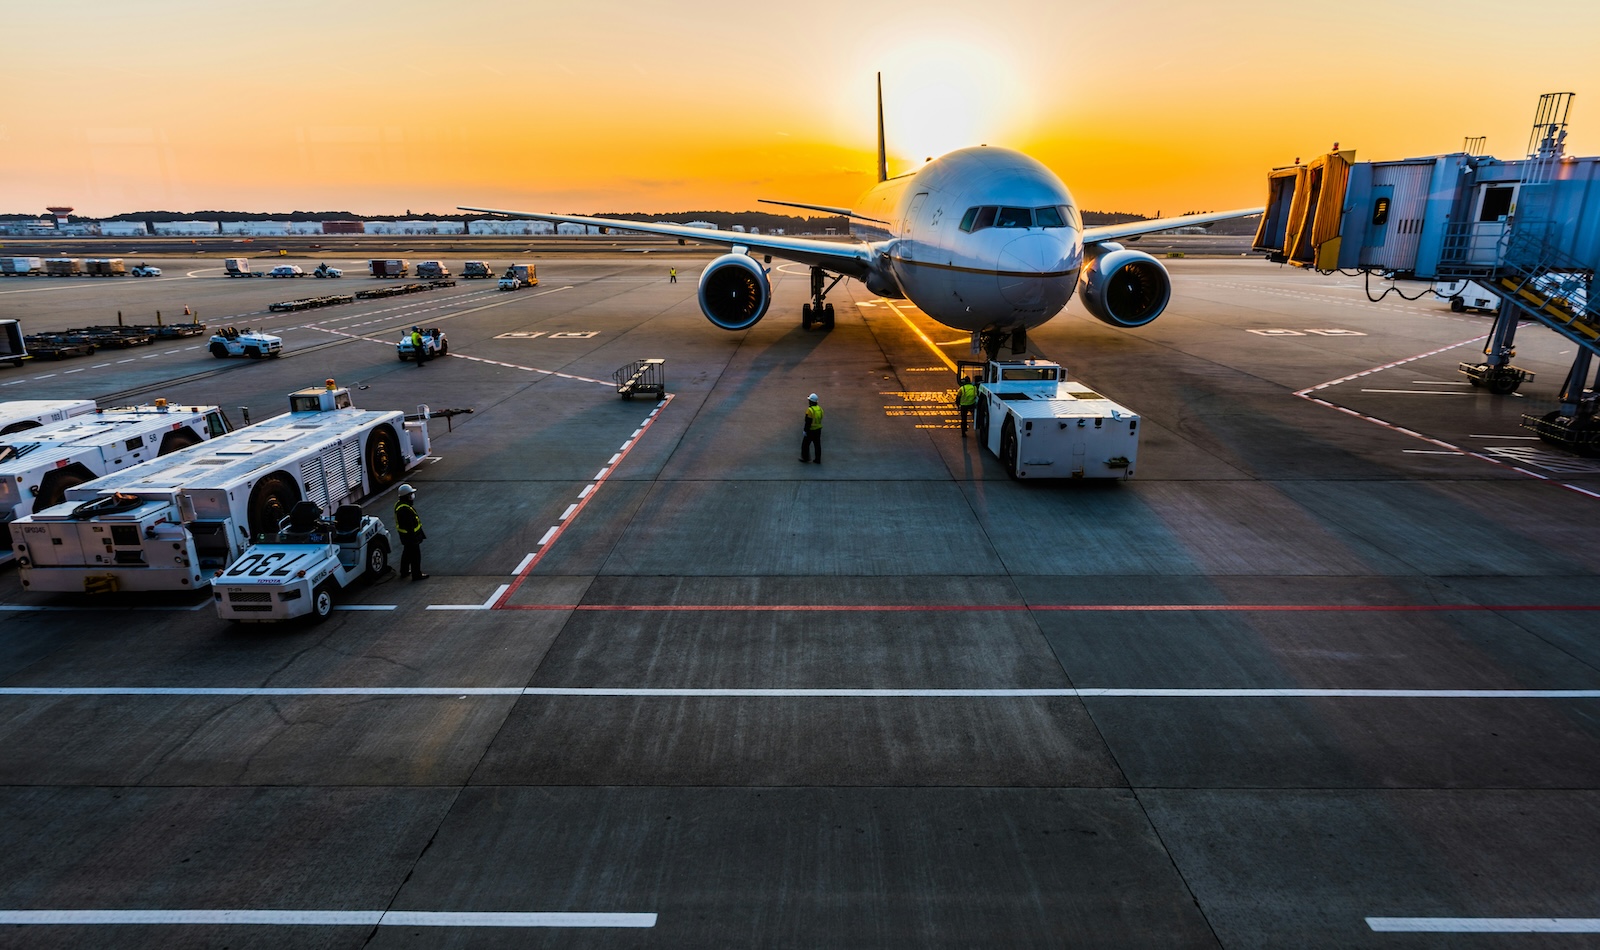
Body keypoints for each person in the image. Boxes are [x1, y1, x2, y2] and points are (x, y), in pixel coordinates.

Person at [394, 484, 427, 580]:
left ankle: (404, 571)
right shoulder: (405, 510)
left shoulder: (400, 505)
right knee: (415, 556)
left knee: (407, 553)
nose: (412, 497)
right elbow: (409, 526)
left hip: (405, 536)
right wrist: (414, 539)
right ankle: (416, 574)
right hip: (410, 537)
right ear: (407, 496)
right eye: (411, 495)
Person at [799, 393, 823, 464]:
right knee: (817, 445)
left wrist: (805, 430)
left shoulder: (810, 410)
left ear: (811, 402)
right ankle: (817, 459)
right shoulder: (820, 409)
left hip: (811, 430)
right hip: (818, 430)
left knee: (805, 445)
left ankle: (805, 458)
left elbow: (808, 422)